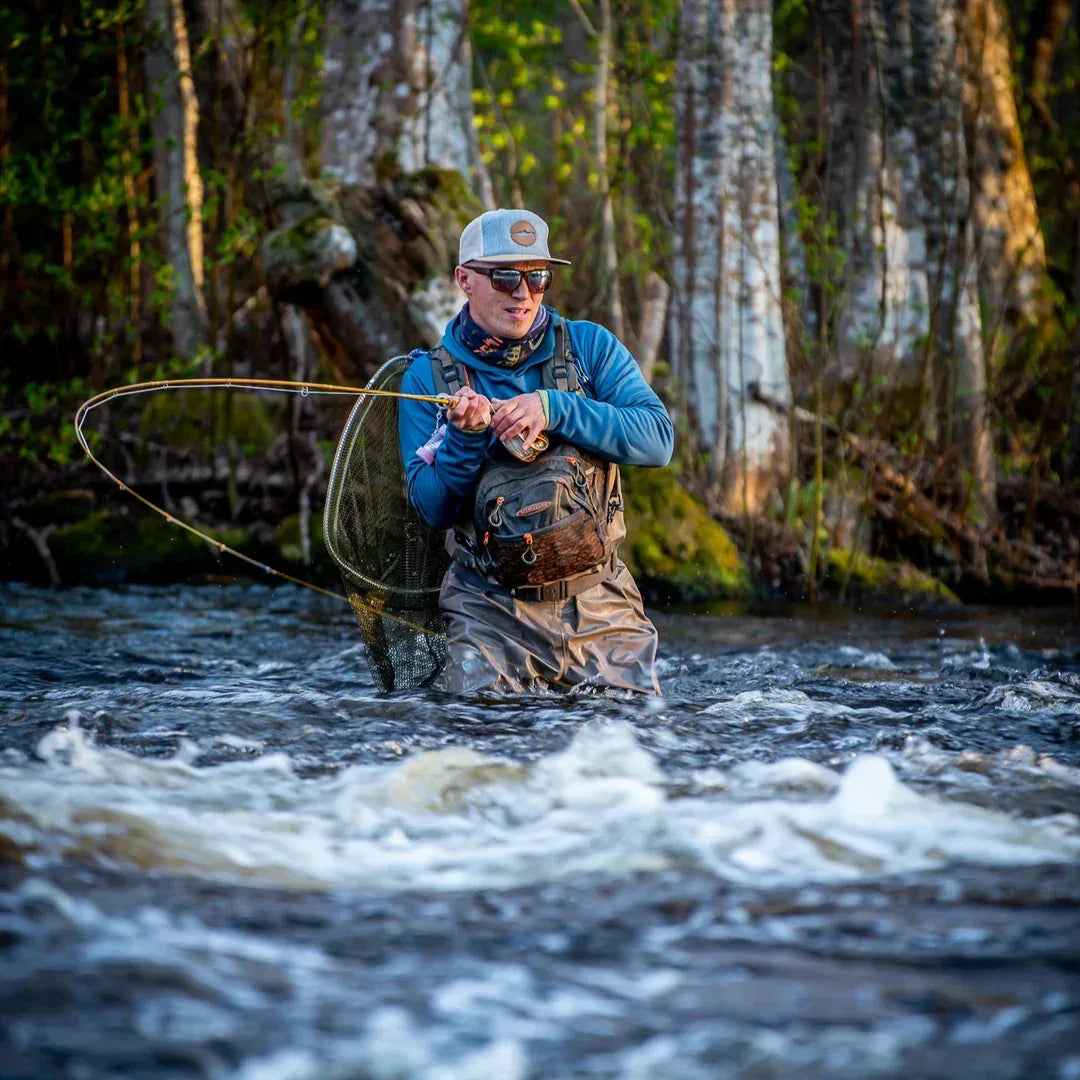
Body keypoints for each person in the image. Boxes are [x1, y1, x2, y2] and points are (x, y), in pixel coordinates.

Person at [398, 208, 674, 694]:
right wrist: (464, 438)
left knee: (632, 730)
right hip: (487, 612)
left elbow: (657, 440)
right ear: (464, 280)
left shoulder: (589, 348)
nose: (522, 293)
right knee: (481, 729)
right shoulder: (427, 379)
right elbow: (434, 509)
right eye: (504, 277)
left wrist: (556, 408)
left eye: (537, 277)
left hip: (601, 601)